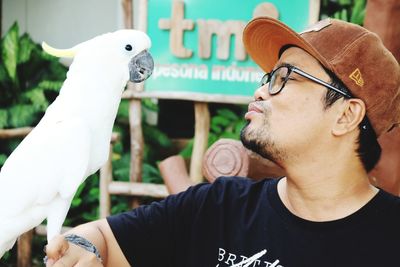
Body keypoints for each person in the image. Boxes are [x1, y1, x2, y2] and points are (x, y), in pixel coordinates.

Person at [44, 17, 400, 267]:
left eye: (284, 77)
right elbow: (102, 237)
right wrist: (82, 247)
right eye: (267, 76)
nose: (261, 90)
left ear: (345, 115)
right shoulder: (218, 208)